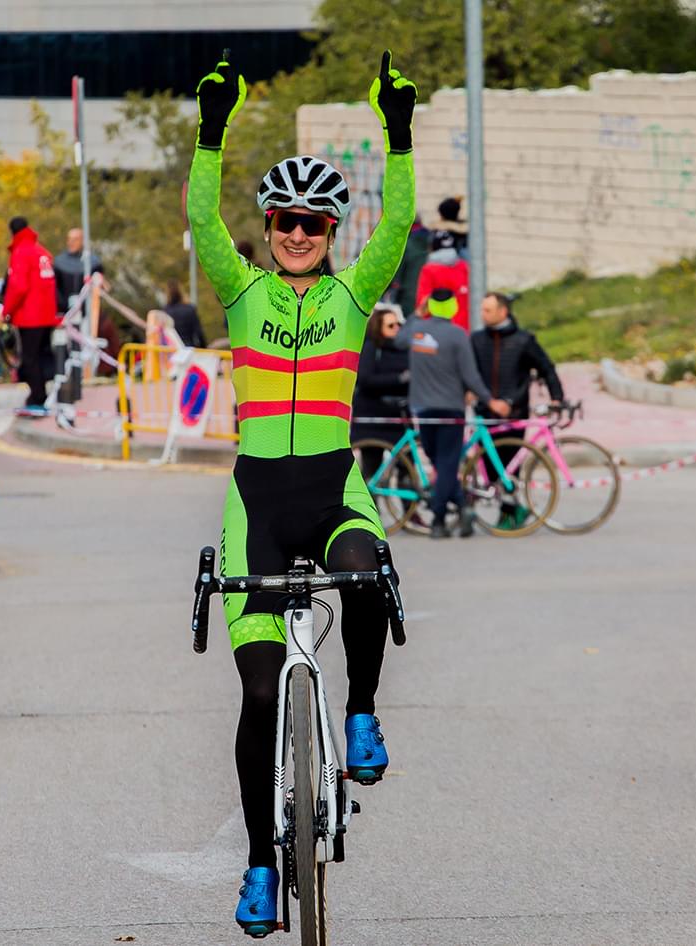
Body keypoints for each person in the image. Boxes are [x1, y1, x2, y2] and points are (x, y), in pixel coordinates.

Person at [189, 51, 417, 936]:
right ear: (271, 226)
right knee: (256, 698)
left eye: (312, 222)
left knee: (366, 571)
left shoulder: (354, 295)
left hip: (332, 490)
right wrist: (212, 131)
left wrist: (398, 133)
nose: (296, 233)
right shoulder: (242, 290)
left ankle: (359, 714)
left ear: (329, 230)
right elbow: (201, 219)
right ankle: (259, 865)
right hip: (256, 505)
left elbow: (398, 223)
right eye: (284, 220)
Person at [404, 290, 509, 538]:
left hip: (423, 410)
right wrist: (490, 400)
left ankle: (462, 508)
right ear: (453, 307)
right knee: (447, 465)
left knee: (441, 463)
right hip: (450, 411)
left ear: (430, 306)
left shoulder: (416, 331)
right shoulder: (458, 335)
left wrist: (416, 314)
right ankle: (439, 520)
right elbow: (470, 376)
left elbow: (397, 338)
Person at [471, 292, 565, 530]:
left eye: (488, 310)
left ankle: (510, 512)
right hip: (485, 413)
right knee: (490, 469)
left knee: (510, 466)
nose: (483, 315)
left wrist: (557, 398)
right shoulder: (477, 340)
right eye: (482, 310)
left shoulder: (523, 340)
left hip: (514, 414)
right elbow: (469, 372)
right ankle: (509, 510)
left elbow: (546, 368)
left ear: (503, 312)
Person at [2, 217, 59, 417]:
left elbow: (18, 287)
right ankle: (41, 396)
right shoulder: (41, 251)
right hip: (47, 315)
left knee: (29, 359)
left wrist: (6, 311)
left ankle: (37, 400)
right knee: (41, 357)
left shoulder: (21, 252)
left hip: (30, 316)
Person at [351, 303, 410, 475]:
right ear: (379, 327)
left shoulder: (404, 349)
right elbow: (365, 379)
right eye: (391, 326)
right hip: (373, 416)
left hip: (397, 415)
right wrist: (399, 379)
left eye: (398, 324)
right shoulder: (371, 347)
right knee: (372, 466)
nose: (397, 328)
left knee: (407, 464)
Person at [415, 229, 470, 330]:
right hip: (463, 328)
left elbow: (422, 302)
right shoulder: (464, 267)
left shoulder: (429, 270)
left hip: (436, 329)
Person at [389, 214, 430, 310]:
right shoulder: (431, 239)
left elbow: (397, 273)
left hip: (408, 293)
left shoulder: (405, 244)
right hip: (427, 295)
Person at [162, 281, 206, 348]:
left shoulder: (165, 311)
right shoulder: (190, 309)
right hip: (188, 347)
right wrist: (204, 347)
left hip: (172, 349)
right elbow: (199, 332)